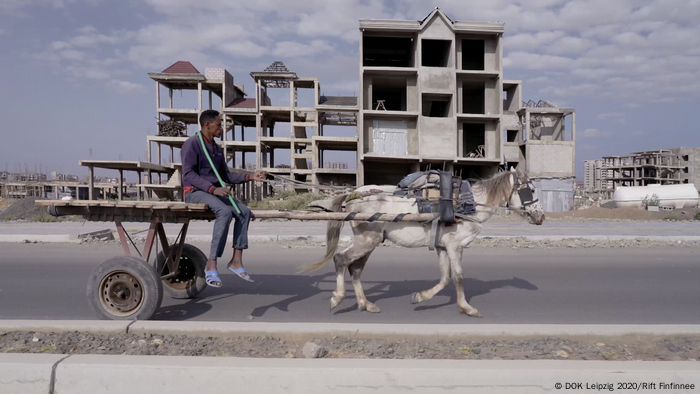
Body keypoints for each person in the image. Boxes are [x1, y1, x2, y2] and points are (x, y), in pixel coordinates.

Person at [181, 109, 266, 287]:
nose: (222, 129)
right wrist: (213, 189)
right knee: (225, 212)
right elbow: (188, 174)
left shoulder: (217, 148)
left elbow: (226, 176)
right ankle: (211, 263)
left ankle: (236, 260)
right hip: (194, 192)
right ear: (207, 125)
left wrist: (251, 177)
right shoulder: (192, 144)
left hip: (212, 191)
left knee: (244, 212)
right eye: (219, 125)